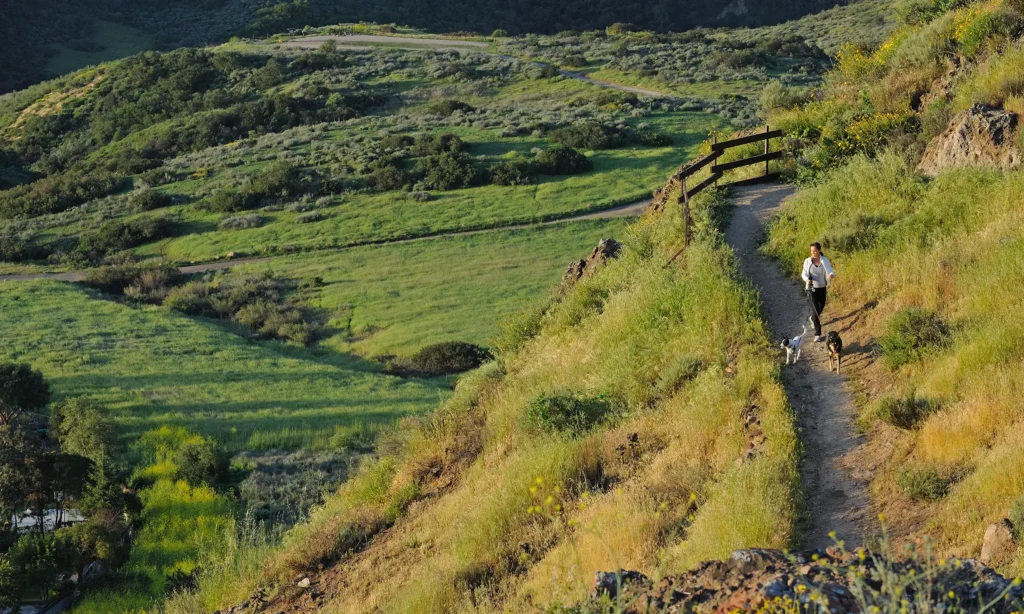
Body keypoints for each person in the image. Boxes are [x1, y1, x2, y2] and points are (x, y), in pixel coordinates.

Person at [801, 242, 835, 342]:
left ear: (819, 250)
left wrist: (832, 275)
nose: (813, 253)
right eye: (812, 251)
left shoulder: (824, 260)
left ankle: (813, 318)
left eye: (815, 251)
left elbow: (830, 270)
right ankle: (817, 333)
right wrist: (807, 279)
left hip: (822, 287)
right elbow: (803, 274)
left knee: (821, 306)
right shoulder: (807, 261)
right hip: (812, 288)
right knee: (815, 311)